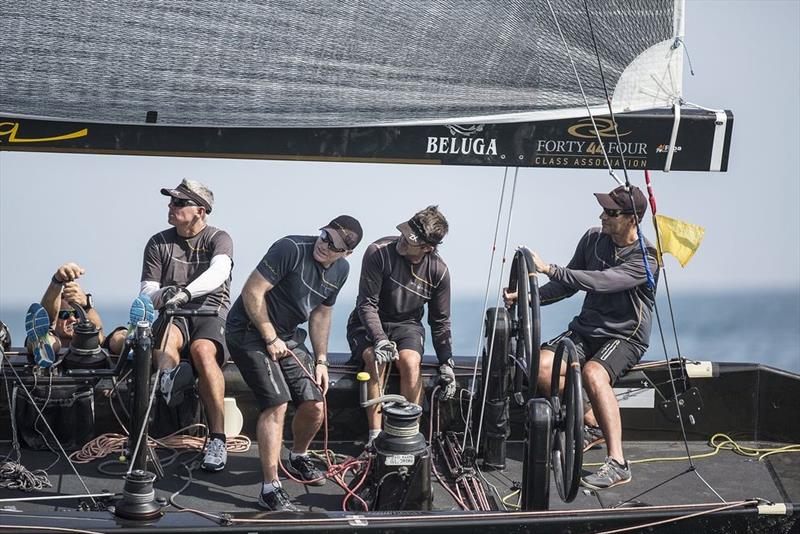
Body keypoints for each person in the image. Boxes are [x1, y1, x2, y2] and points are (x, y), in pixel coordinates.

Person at [505, 185, 658, 490]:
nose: (602, 216)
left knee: (593, 373)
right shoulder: (592, 239)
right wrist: (526, 296)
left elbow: (601, 282)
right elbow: (567, 285)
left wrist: (549, 268)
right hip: (586, 330)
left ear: (631, 219)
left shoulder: (647, 258)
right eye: (603, 210)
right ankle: (591, 422)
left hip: (624, 336)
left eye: (611, 212)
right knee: (541, 367)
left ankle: (618, 463)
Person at [225, 215, 363, 511]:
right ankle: (270, 487)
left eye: (334, 245)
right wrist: (269, 336)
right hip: (247, 331)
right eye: (324, 236)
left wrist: (322, 360)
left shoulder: (342, 270)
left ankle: (298, 456)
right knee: (277, 403)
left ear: (346, 254)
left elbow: (321, 314)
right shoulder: (290, 248)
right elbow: (252, 291)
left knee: (315, 404)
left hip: (287, 336)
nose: (324, 245)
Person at [140, 179, 234, 473]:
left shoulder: (219, 238)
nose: (171, 207)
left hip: (209, 312)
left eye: (179, 203)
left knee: (203, 352)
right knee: (167, 341)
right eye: (171, 202)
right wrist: (164, 296)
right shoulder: (158, 242)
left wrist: (185, 293)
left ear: (201, 211)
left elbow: (219, 272)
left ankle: (217, 439)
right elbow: (146, 291)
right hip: (173, 313)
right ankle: (169, 379)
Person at [346, 206, 453, 446]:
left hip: (407, 325)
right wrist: (380, 339)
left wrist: (447, 362)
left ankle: (408, 436)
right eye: (403, 233)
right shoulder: (378, 252)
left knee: (411, 362)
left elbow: (440, 321)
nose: (402, 241)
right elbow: (366, 304)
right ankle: (374, 439)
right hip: (368, 321)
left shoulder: (439, 272)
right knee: (377, 358)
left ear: (427, 248)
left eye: (410, 240)